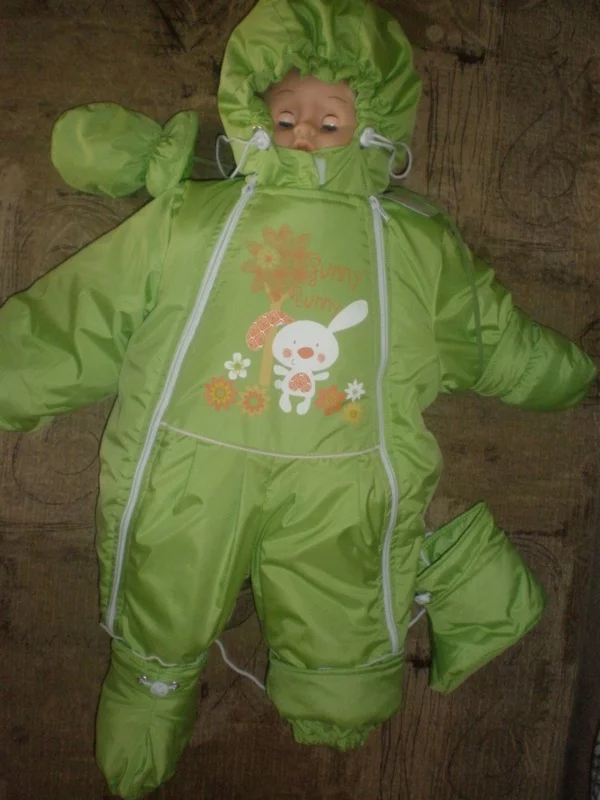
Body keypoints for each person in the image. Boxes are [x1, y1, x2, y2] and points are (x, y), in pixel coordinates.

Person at [1, 0, 596, 797]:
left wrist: (564, 374)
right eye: (285, 119)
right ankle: (151, 686)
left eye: (329, 121)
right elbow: (88, 312)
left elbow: (483, 334)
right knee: (165, 574)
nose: (304, 135)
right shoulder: (193, 220)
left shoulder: (414, 244)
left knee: (344, 594)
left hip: (343, 470)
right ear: (254, 120)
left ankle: (339, 680)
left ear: (375, 127)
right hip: (192, 456)